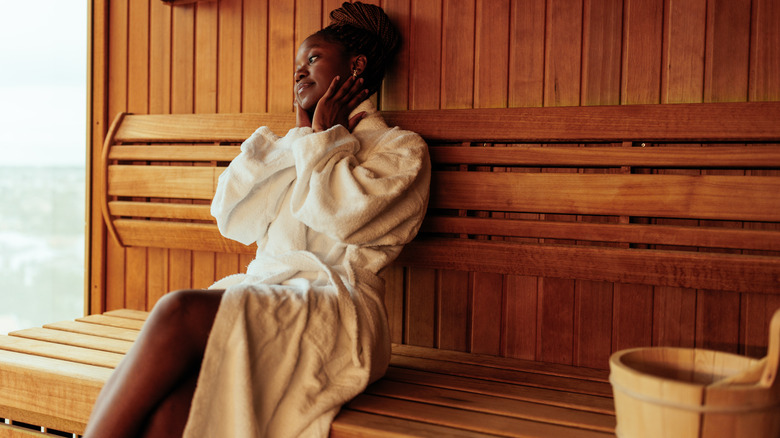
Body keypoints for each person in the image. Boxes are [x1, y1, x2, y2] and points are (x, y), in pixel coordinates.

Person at [83, 2, 430, 437]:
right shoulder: (295, 146)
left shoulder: (400, 150)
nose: (300, 72)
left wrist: (323, 139)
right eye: (297, 65)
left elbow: (342, 218)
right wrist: (302, 140)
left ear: (356, 66)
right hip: (269, 294)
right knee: (173, 410)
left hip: (338, 312)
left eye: (314, 58)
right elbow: (232, 218)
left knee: (179, 309)